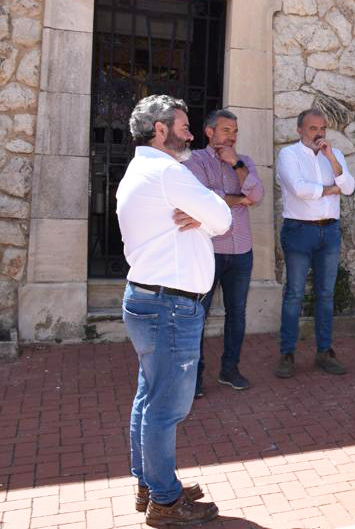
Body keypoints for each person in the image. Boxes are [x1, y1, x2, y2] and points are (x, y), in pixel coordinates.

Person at [117, 95, 230, 526]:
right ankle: (165, 501)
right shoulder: (168, 172)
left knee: (149, 397)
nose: (190, 133)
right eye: (183, 126)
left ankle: (150, 484)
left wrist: (200, 216)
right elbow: (223, 218)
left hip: (148, 299)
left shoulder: (137, 170)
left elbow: (211, 218)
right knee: (166, 407)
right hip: (170, 306)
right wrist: (205, 214)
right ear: (159, 129)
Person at [184, 109, 265, 397]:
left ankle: (230, 370)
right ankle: (194, 377)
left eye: (235, 131)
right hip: (209, 250)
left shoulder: (244, 162)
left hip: (241, 249)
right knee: (199, 314)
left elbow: (257, 196)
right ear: (209, 131)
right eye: (226, 130)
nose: (232, 136)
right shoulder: (194, 160)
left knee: (237, 314)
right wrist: (239, 198)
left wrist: (236, 164)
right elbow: (203, 198)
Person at [276, 108, 355, 378]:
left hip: (329, 231)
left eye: (322, 128)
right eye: (313, 128)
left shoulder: (335, 155)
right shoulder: (288, 155)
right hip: (299, 230)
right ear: (300, 130)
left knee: (326, 294)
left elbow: (349, 187)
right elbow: (300, 189)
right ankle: (287, 353)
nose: (319, 133)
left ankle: (324, 351)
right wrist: (331, 189)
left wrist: (331, 157)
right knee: (294, 294)